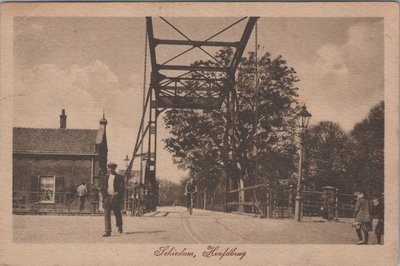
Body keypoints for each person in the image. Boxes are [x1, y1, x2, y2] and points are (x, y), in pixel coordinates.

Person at [101, 162, 124, 237]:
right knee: (107, 214)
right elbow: (102, 187)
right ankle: (107, 231)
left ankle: (119, 226)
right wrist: (104, 196)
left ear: (115, 168)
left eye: (113, 168)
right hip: (107, 197)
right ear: (108, 168)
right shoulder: (105, 177)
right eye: (110, 168)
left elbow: (122, 188)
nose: (111, 169)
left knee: (117, 213)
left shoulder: (119, 177)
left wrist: (117, 193)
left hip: (116, 198)